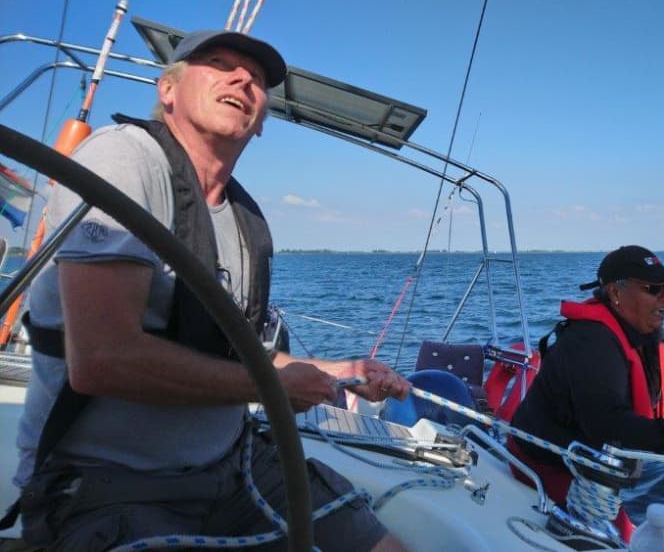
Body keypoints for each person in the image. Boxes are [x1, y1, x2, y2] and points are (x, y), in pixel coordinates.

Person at [11, 29, 409, 551]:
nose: (243, 78)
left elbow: (229, 353)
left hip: (235, 467)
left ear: (262, 121)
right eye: (219, 64)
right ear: (168, 91)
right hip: (112, 485)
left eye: (258, 79)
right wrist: (274, 388)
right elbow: (103, 359)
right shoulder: (123, 161)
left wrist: (338, 373)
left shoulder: (245, 219)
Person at [509, 245, 664, 541]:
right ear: (615, 292)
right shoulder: (591, 342)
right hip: (545, 466)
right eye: (654, 289)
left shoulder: (642, 337)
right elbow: (604, 424)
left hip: (588, 473)